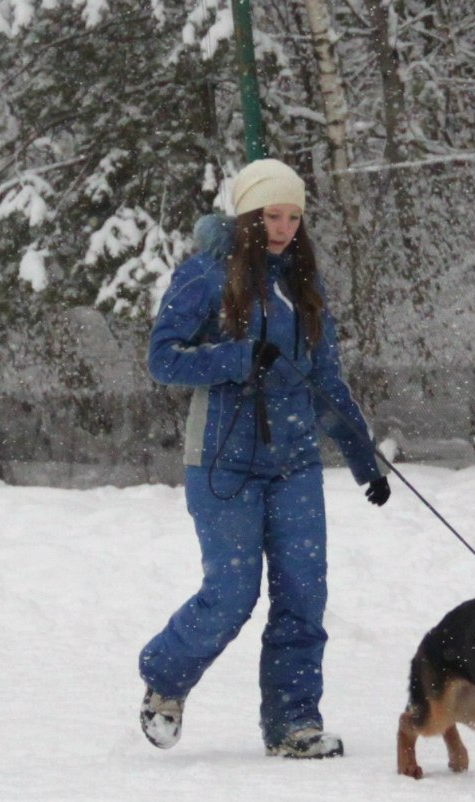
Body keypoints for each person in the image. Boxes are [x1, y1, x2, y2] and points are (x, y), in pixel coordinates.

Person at [138, 158, 390, 758]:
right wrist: (236, 357)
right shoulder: (206, 275)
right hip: (221, 462)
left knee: (303, 595)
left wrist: (364, 458)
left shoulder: (303, 283)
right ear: (248, 215)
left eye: (293, 217)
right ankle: (165, 680)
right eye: (272, 216)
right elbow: (163, 358)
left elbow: (325, 379)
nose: (283, 228)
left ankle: (293, 724)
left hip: (294, 462)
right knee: (232, 593)